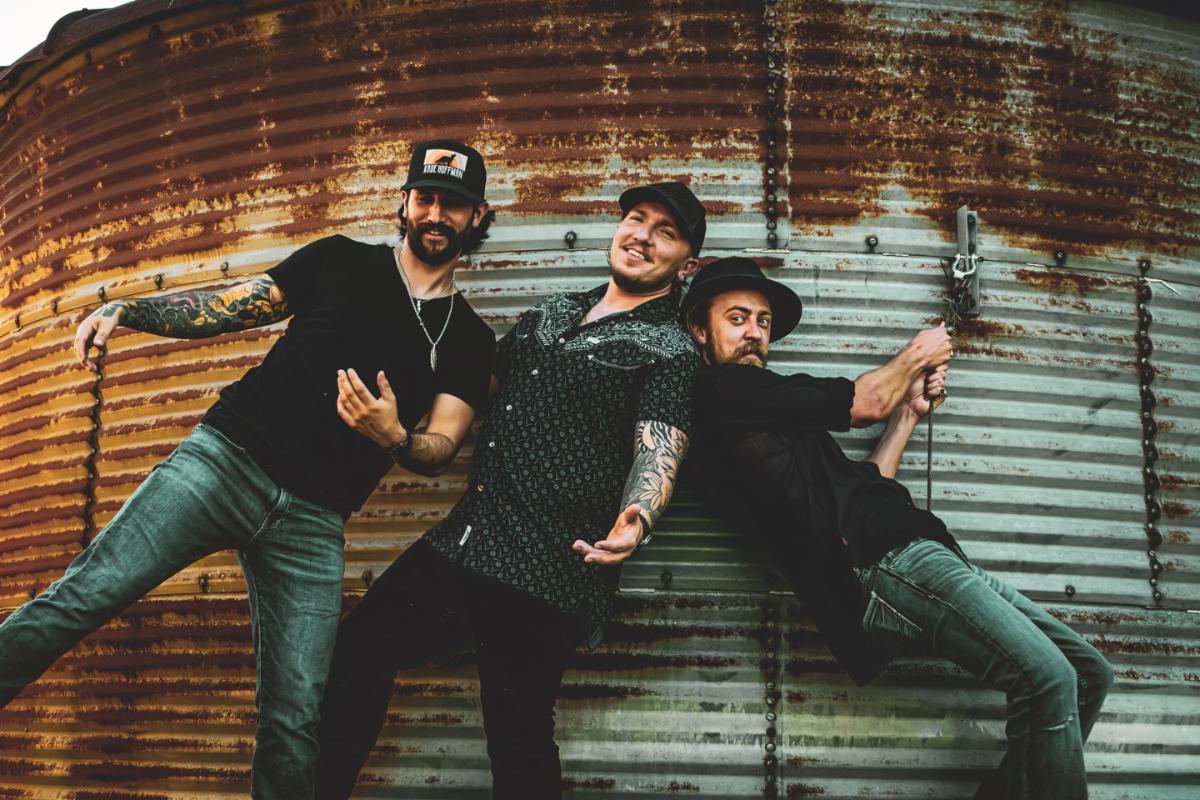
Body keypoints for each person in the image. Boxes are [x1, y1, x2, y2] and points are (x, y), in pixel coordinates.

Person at [0, 139, 498, 800]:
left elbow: (442, 445)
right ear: (405, 203)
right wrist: (129, 309)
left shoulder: (468, 339)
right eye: (426, 198)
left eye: (452, 204)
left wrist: (394, 437)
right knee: (81, 598)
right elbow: (230, 307)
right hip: (225, 464)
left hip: (314, 521)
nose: (436, 214)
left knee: (294, 720)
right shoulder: (340, 260)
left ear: (476, 215)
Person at [315, 181, 707, 799]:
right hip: (469, 539)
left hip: (549, 566)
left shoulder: (670, 349)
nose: (643, 237)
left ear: (686, 264)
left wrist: (638, 517)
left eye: (667, 232)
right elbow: (475, 385)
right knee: (359, 651)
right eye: (637, 219)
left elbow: (660, 444)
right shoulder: (552, 311)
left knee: (517, 732)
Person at [683, 257, 1113, 800]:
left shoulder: (765, 406)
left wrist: (906, 414)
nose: (754, 332)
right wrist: (918, 354)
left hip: (916, 552)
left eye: (763, 321)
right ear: (700, 330)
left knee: (1088, 674)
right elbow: (865, 402)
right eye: (737, 318)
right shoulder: (720, 391)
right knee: (1049, 680)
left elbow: (863, 486)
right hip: (891, 565)